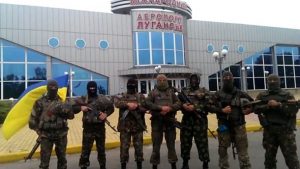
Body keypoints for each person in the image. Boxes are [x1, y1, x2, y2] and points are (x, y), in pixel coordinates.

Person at [253, 74, 300, 169]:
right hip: (269, 131)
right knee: (269, 160)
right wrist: (267, 106)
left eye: (275, 80)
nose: (272, 82)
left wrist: (278, 105)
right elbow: (255, 108)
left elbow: (293, 110)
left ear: (279, 81)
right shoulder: (262, 95)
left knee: (292, 160)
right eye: (270, 80)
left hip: (285, 131)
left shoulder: (287, 95)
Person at [210, 71, 252, 169]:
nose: (227, 79)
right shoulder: (217, 94)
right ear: (222, 80)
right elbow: (208, 106)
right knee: (222, 150)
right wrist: (221, 110)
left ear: (233, 79)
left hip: (239, 125)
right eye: (225, 77)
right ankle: (224, 167)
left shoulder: (241, 93)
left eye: (229, 77)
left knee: (242, 151)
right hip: (224, 126)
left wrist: (249, 110)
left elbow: (254, 104)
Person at [29, 79, 74, 169]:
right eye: (51, 87)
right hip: (46, 136)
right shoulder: (39, 102)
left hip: (61, 135)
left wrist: (66, 109)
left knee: (62, 161)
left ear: (57, 89)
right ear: (47, 88)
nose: (53, 89)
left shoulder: (62, 101)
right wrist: (39, 132)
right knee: (44, 163)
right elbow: (32, 121)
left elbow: (71, 116)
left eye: (55, 87)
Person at [73, 81, 114, 169]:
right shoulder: (83, 99)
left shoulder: (102, 98)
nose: (92, 89)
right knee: (85, 151)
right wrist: (80, 108)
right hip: (88, 129)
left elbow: (111, 108)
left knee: (101, 151)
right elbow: (73, 108)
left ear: (96, 88)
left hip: (100, 129)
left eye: (93, 87)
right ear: (87, 88)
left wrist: (106, 114)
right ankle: (83, 166)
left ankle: (102, 166)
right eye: (90, 88)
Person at [143, 74, 181, 169]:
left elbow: (179, 103)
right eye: (160, 80)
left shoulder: (171, 92)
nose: (162, 81)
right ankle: (154, 165)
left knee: (171, 146)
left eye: (164, 80)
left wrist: (170, 108)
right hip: (157, 122)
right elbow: (147, 103)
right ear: (157, 81)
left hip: (170, 122)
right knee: (156, 146)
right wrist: (160, 108)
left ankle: (173, 165)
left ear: (167, 81)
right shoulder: (153, 93)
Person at [179, 74, 212, 169]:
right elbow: (178, 102)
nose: (193, 81)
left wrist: (195, 107)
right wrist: (183, 106)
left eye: (195, 79)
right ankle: (185, 163)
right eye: (192, 79)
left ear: (199, 80)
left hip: (200, 121)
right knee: (185, 143)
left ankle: (205, 163)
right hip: (187, 121)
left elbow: (209, 103)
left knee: (202, 143)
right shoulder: (184, 91)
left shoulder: (204, 91)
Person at [114, 78, 147, 169]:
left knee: (139, 149)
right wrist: (128, 105)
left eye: (133, 84)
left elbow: (146, 107)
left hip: (138, 126)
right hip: (125, 127)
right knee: (124, 148)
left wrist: (137, 106)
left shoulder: (141, 96)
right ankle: (123, 165)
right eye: (130, 84)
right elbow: (116, 103)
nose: (131, 86)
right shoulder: (122, 96)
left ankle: (139, 165)